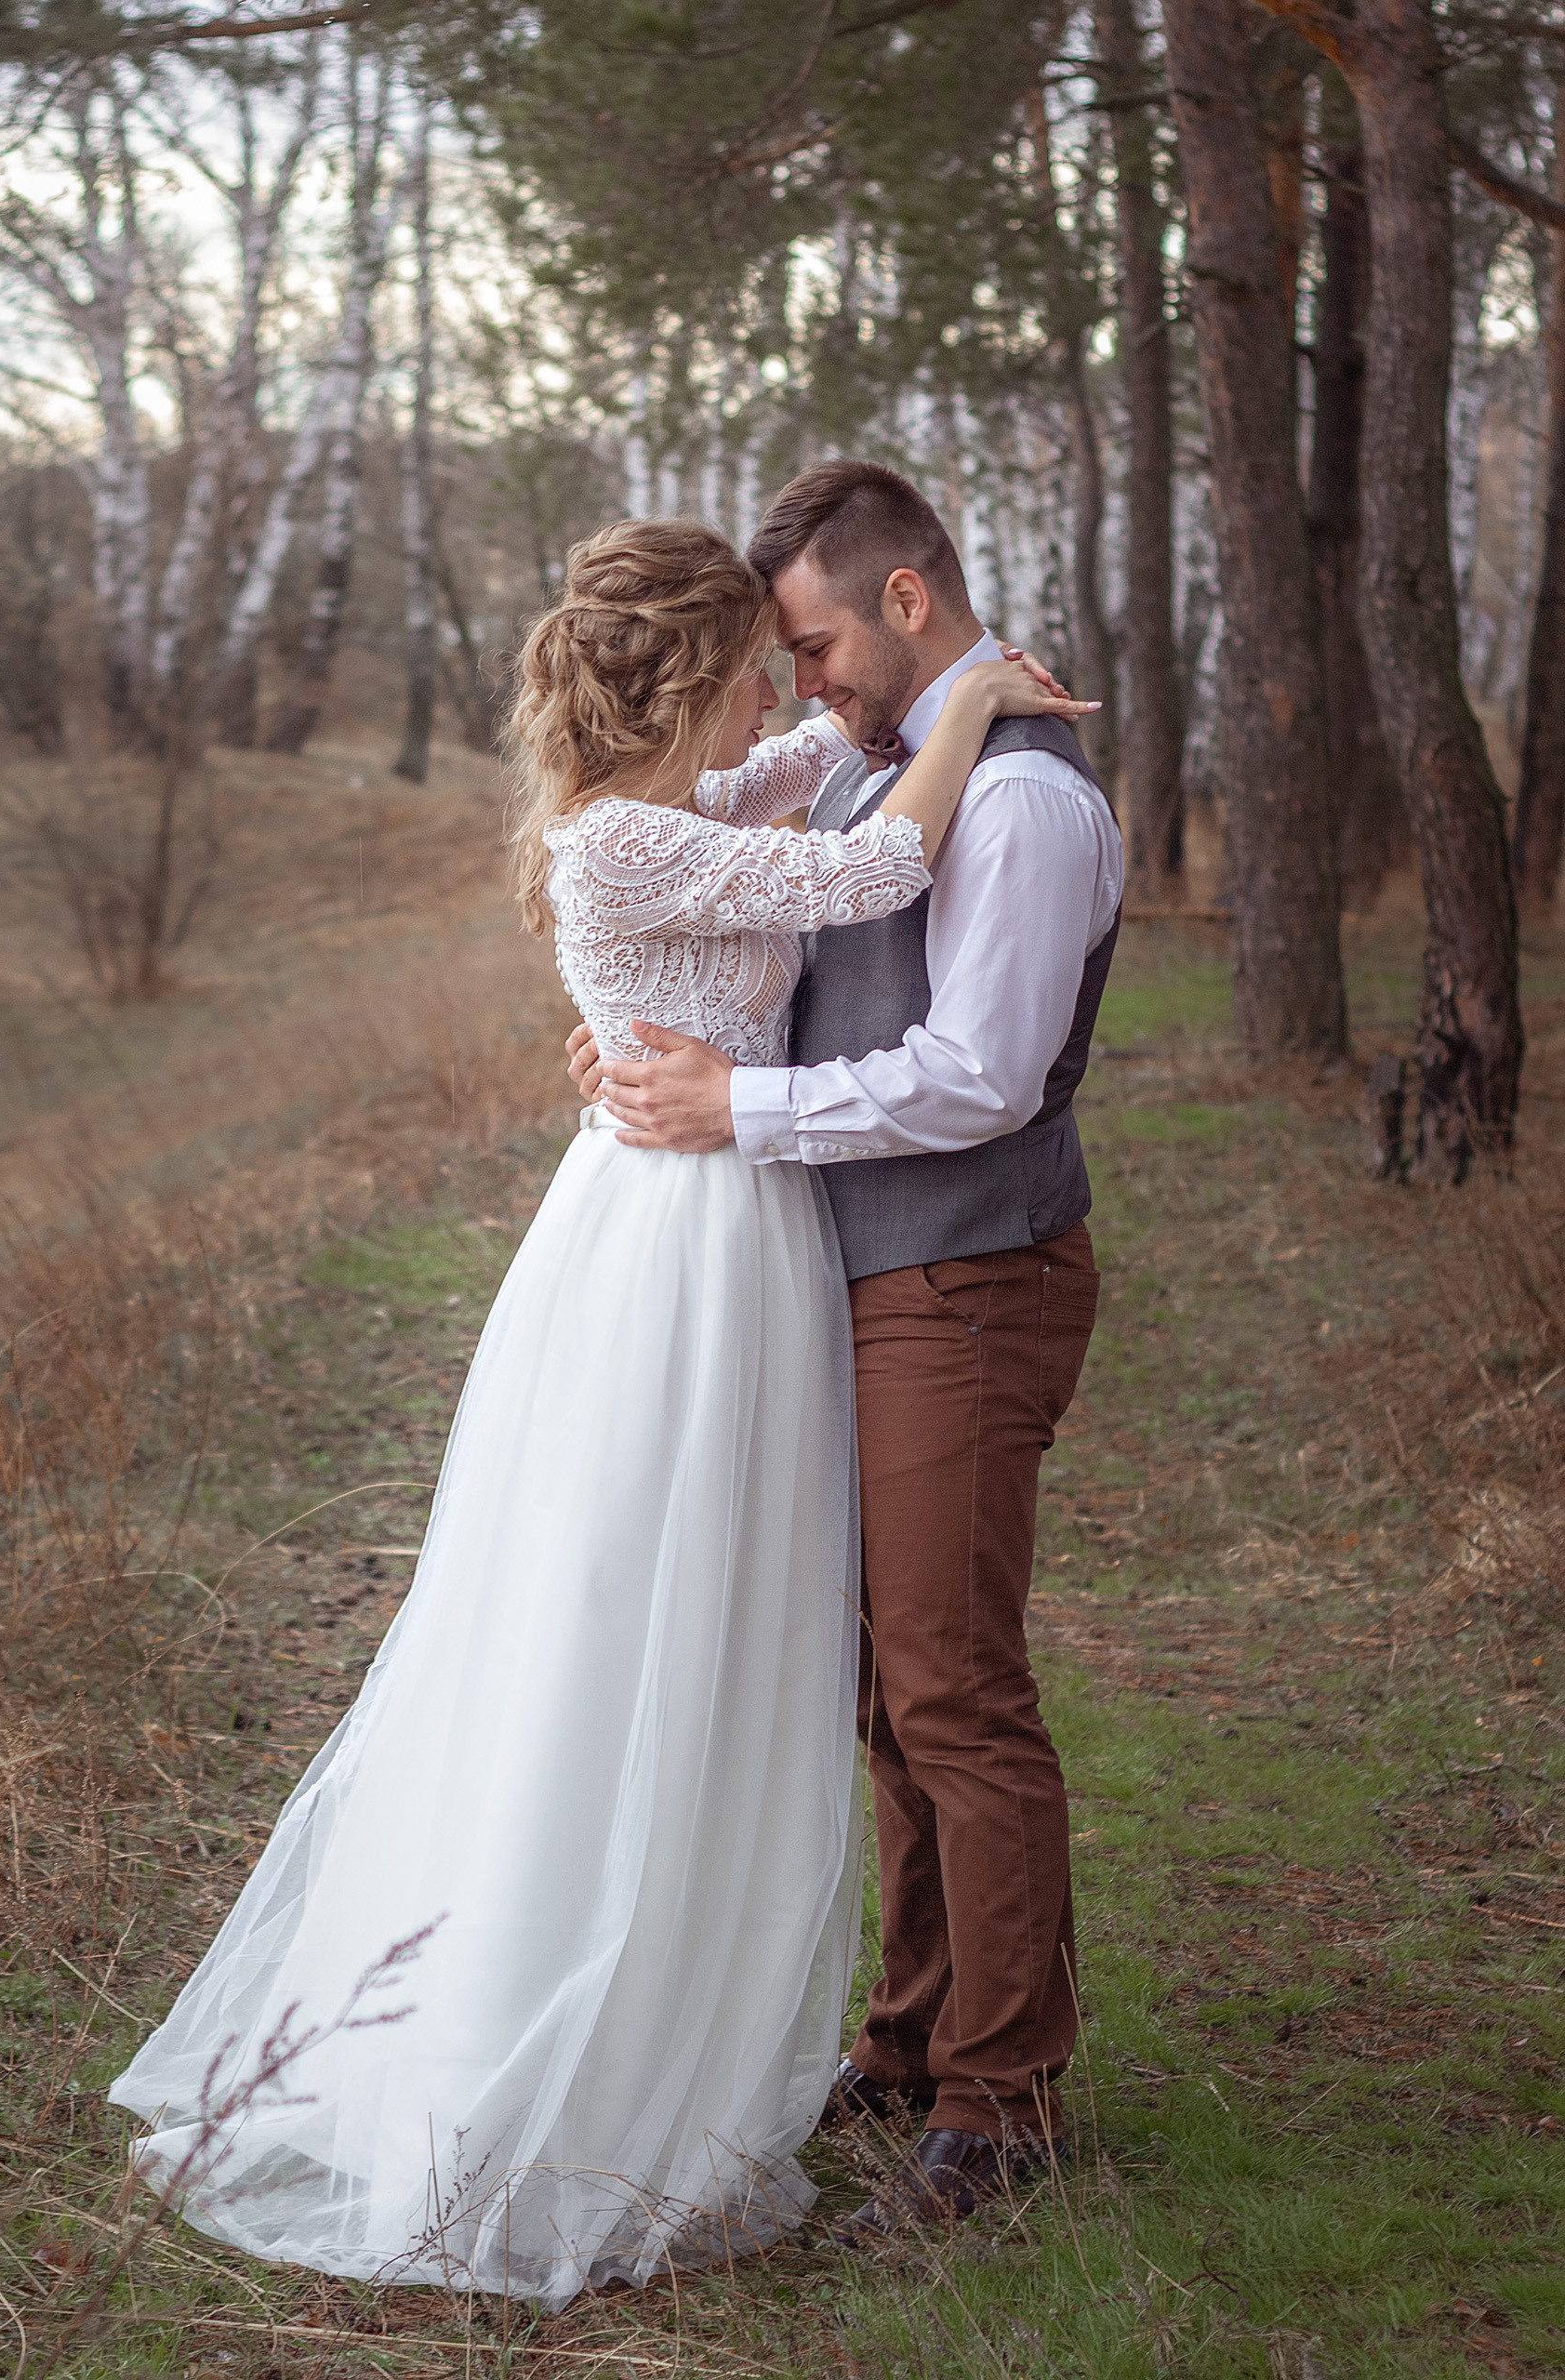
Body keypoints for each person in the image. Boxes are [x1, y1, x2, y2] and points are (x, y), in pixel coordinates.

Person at [108, 517, 1095, 2308]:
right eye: (756, 666)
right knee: (630, 1616)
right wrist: (970, 722)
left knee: (753, 1626)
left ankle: (835, 2038)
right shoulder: (631, 835)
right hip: (675, 1243)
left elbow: (816, 770)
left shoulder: (695, 803)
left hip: (737, 1220)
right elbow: (864, 877)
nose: (782, 697)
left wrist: (944, 705)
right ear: (694, 678)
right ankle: (571, 2030)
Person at [571, 461, 1126, 2241]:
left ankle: (1007, 2095)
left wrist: (738, 1102)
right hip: (866, 1277)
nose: (798, 681)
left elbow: (980, 1075)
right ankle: (908, 2042)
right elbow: (766, 926)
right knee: (891, 1689)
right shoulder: (882, 757)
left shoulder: (1024, 805)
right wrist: (644, 1048)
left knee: (955, 1688)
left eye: (810, 644)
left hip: (968, 1275)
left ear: (902, 604)